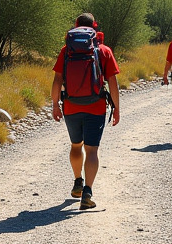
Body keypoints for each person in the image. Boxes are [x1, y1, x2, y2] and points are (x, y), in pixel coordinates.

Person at [51, 13, 120, 210]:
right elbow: (112, 82)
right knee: (92, 150)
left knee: (75, 145)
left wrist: (55, 105)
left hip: (71, 106)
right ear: (94, 27)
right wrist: (116, 108)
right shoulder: (104, 50)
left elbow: (57, 80)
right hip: (96, 106)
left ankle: (77, 182)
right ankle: (87, 192)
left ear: (75, 26)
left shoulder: (67, 50)